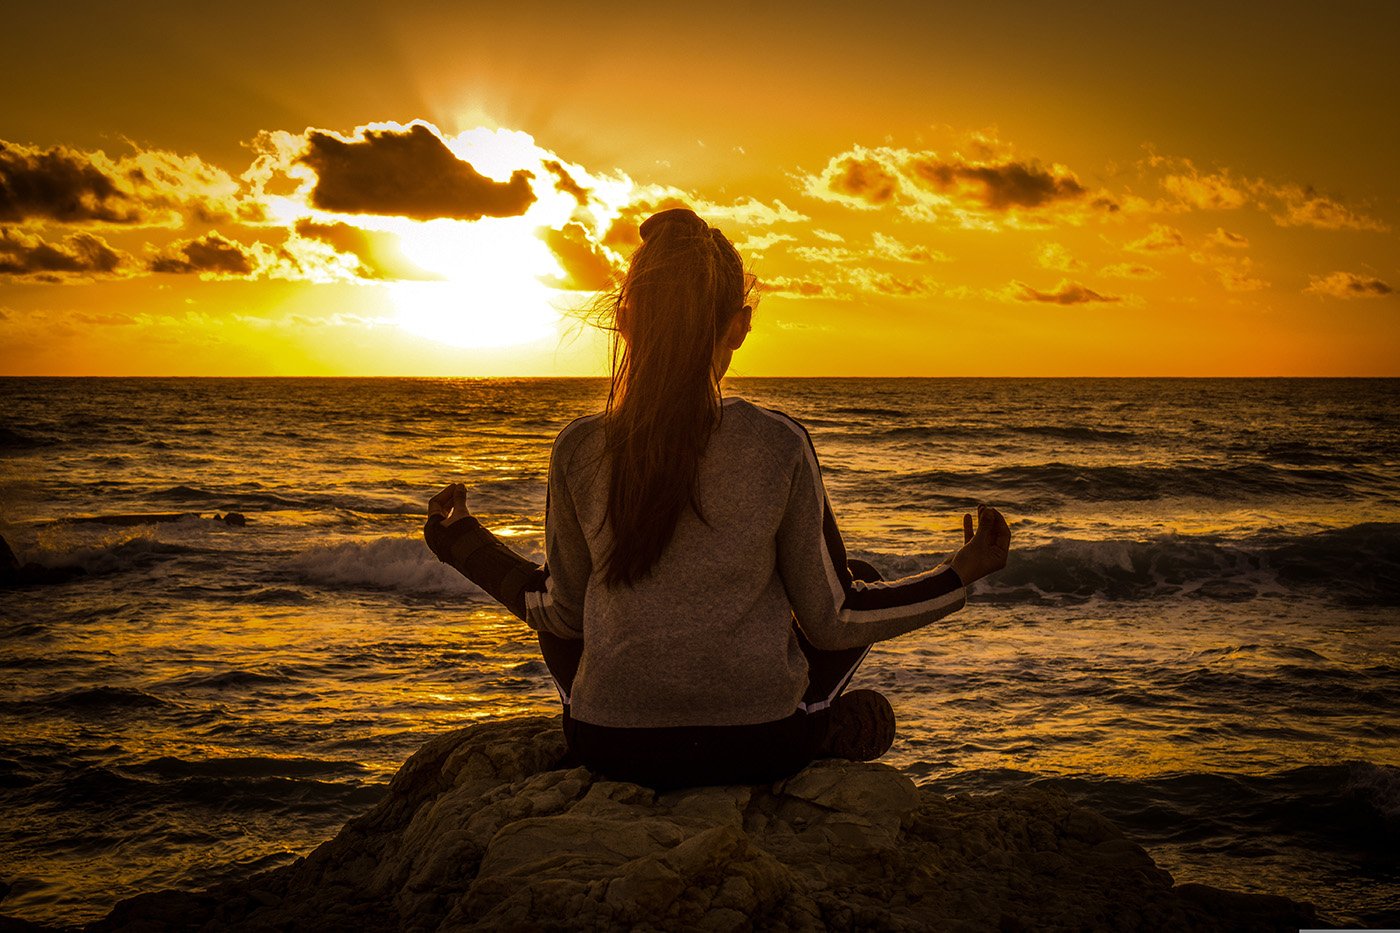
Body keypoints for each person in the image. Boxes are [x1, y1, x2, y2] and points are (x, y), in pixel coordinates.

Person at [423, 207, 1010, 789]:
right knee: (853, 579)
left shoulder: (579, 446)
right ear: (740, 324)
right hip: (756, 747)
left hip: (609, 745)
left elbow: (561, 615)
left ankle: (813, 725)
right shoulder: (777, 442)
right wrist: (959, 574)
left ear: (624, 321)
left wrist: (463, 543)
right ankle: (823, 728)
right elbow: (834, 621)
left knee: (557, 596)